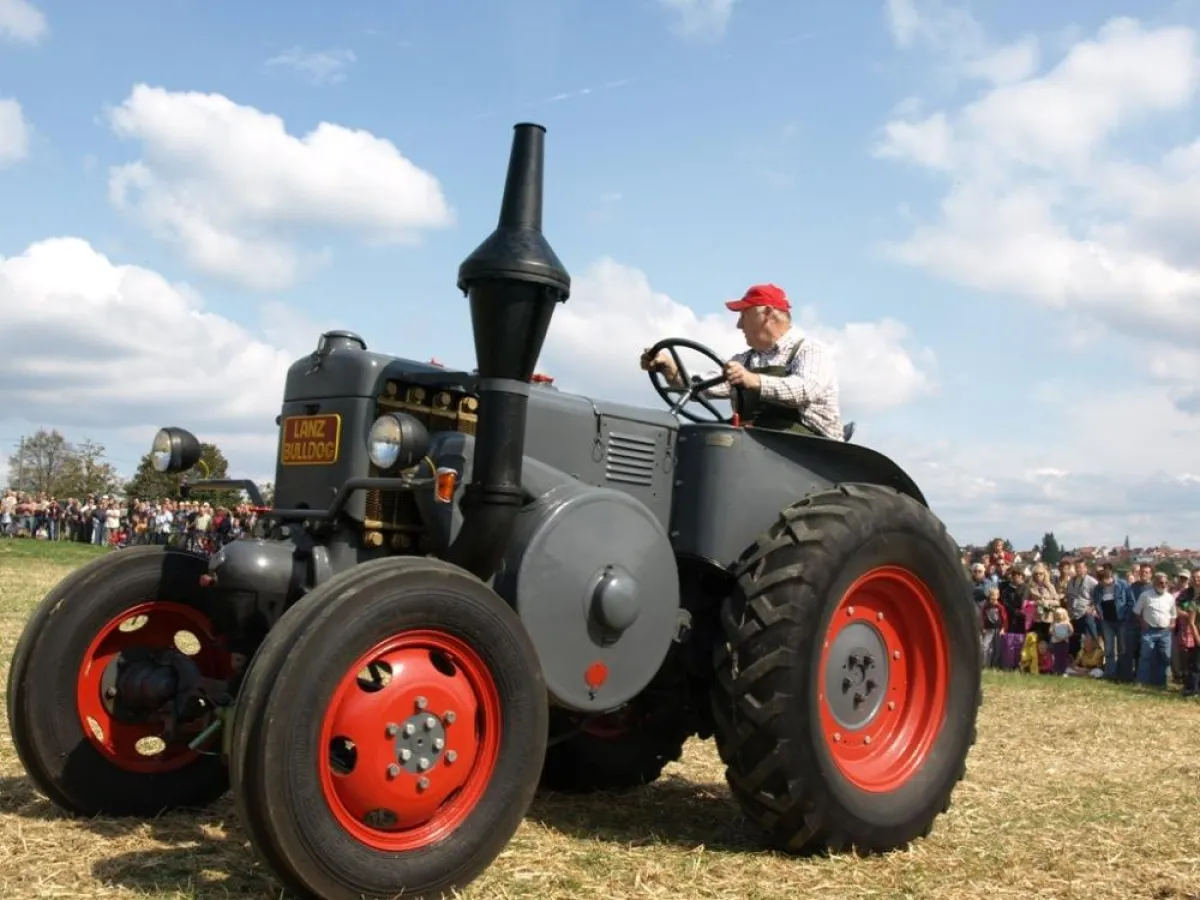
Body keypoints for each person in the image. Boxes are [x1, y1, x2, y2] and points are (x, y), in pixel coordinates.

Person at [639, 283, 846, 439]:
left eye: (744, 315)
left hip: (814, 454)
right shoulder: (745, 360)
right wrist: (669, 368)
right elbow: (699, 388)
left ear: (767, 313)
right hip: (759, 447)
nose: (739, 325)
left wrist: (751, 380)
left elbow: (803, 391)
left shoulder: (811, 351)